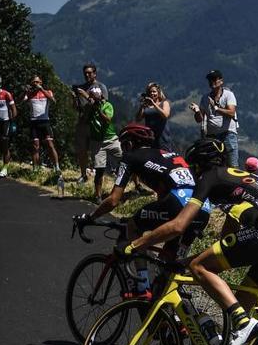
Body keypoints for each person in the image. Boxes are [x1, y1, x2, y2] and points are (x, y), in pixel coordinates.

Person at [117, 138, 258, 345]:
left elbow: (179, 225)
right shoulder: (243, 177)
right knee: (243, 299)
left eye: (193, 169)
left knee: (199, 267)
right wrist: (203, 260)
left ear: (198, 166)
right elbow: (230, 233)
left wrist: (135, 245)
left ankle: (243, 323)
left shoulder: (210, 177)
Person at [74, 124, 211, 298]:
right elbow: (164, 194)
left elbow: (113, 200)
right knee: (168, 269)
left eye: (124, 145)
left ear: (130, 144)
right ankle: (178, 317)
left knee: (133, 226)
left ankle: (142, 285)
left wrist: (90, 217)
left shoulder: (131, 157)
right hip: (203, 207)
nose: (123, 150)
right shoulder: (165, 155)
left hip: (179, 204)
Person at [190, 70, 238, 167]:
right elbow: (199, 119)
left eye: (214, 79)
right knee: (213, 165)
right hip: (212, 136)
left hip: (228, 134)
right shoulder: (205, 98)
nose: (212, 82)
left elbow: (231, 113)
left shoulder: (228, 95)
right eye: (210, 80)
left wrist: (216, 108)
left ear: (221, 81)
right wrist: (197, 111)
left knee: (232, 165)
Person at [73, 63, 108, 183]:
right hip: (83, 122)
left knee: (96, 152)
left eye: (89, 73)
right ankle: (83, 174)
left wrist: (86, 96)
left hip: (95, 123)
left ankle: (98, 177)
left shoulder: (101, 87)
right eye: (85, 73)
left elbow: (103, 105)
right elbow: (77, 108)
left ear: (95, 73)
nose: (87, 75)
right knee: (82, 151)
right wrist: (74, 98)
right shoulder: (81, 88)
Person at [84, 86, 122, 200]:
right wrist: (90, 108)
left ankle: (135, 184)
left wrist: (98, 109)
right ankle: (97, 195)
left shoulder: (107, 105)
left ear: (101, 96)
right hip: (97, 142)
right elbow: (85, 120)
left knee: (126, 159)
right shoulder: (89, 108)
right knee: (99, 169)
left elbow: (108, 119)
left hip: (111, 139)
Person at [21, 76, 60, 174]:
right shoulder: (29, 94)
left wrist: (41, 89)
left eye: (37, 82)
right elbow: (23, 101)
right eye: (34, 82)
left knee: (50, 144)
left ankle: (57, 167)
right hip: (34, 122)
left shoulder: (48, 91)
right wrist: (28, 92)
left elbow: (53, 101)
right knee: (35, 146)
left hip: (45, 121)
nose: (36, 83)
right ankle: (35, 168)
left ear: (41, 82)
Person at [135, 82, 172, 150]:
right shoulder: (146, 105)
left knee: (164, 157)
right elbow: (138, 119)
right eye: (150, 92)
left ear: (158, 92)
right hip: (150, 137)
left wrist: (154, 104)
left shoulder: (164, 103)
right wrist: (142, 106)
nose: (152, 93)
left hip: (162, 137)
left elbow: (166, 115)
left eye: (154, 92)